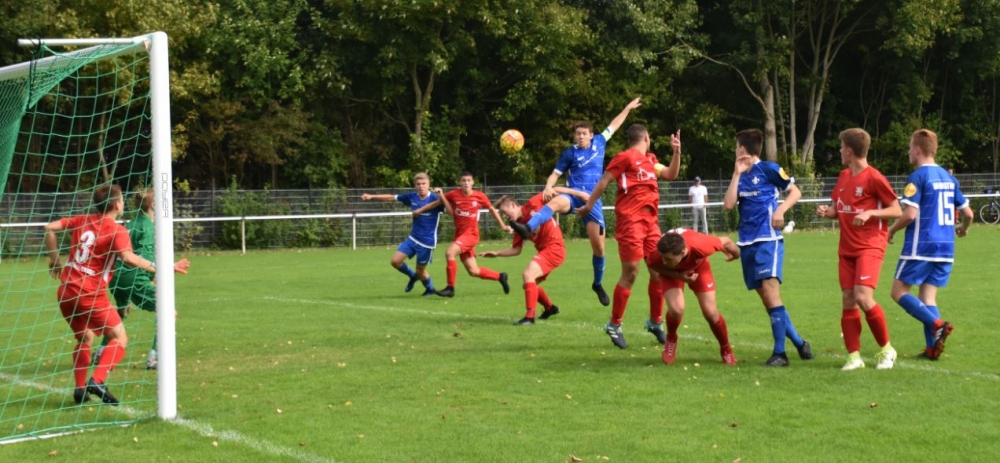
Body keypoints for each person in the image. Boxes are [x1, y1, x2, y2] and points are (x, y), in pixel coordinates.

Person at [509, 98, 643, 307]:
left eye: (584, 134)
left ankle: (597, 284)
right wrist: (548, 186)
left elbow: (614, 125)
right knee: (554, 203)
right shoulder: (569, 153)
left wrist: (626, 108)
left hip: (592, 201)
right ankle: (527, 227)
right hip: (571, 196)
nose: (580, 137)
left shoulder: (600, 142)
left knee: (599, 249)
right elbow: (555, 174)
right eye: (577, 134)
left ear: (591, 135)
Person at [44, 185, 158, 405]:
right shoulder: (117, 230)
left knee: (85, 337)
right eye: (122, 199)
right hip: (89, 294)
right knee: (120, 338)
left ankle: (79, 389)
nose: (123, 203)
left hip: (66, 291)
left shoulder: (81, 220)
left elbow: (49, 228)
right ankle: (97, 380)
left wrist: (54, 258)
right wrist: (158, 267)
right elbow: (128, 257)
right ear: (117, 204)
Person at [577, 124, 681, 349]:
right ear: (646, 137)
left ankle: (655, 322)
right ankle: (614, 324)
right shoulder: (624, 157)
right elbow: (604, 181)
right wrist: (589, 205)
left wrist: (676, 152)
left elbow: (671, 174)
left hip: (651, 223)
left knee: (658, 270)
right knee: (631, 273)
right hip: (630, 221)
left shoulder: (651, 161)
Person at [722, 129, 813, 367]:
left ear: (742, 148)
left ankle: (780, 354)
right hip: (746, 243)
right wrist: (735, 173)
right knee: (767, 300)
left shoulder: (770, 169)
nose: (735, 151)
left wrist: (781, 210)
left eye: (736, 147)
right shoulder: (740, 175)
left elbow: (796, 191)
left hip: (768, 241)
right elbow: (729, 205)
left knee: (772, 296)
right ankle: (800, 343)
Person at [816, 128, 902, 370]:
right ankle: (854, 356)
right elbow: (837, 210)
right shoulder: (843, 176)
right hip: (847, 248)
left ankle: (887, 350)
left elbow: (897, 210)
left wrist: (871, 212)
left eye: (842, 147)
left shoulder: (874, 177)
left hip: (870, 245)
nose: (840, 151)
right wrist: (826, 212)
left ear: (850, 150)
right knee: (848, 298)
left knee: (863, 297)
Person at [887, 129, 972, 360]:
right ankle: (932, 348)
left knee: (897, 292)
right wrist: (964, 228)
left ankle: (937, 324)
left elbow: (910, 215)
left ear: (917, 150)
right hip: (946, 248)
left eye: (909, 149)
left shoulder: (917, 177)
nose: (908, 152)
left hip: (921, 245)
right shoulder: (948, 177)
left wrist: (891, 230)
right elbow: (969, 213)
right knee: (928, 297)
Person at [94, 189, 190, 370]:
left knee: (122, 312)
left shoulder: (130, 224)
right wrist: (162, 271)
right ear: (154, 205)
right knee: (169, 313)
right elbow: (143, 258)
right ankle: (155, 357)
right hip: (133, 277)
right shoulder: (149, 228)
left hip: (115, 277)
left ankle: (100, 352)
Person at [482, 188, 590, 325]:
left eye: (504, 212)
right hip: (546, 251)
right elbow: (516, 249)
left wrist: (579, 195)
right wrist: (496, 253)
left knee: (528, 275)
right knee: (528, 283)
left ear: (513, 205)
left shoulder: (534, 202)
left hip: (554, 247)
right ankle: (550, 308)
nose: (504, 216)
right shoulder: (519, 225)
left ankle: (529, 317)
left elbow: (553, 190)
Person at [647, 229, 741, 365]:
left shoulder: (701, 246)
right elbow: (654, 265)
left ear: (683, 252)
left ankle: (726, 348)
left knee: (711, 312)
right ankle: (671, 339)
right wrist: (679, 276)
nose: (664, 261)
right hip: (671, 274)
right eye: (662, 258)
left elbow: (726, 240)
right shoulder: (658, 255)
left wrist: (737, 254)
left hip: (699, 268)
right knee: (677, 310)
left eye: (668, 259)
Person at [410, 172, 511, 297]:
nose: (466, 183)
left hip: (471, 235)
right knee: (473, 271)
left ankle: (450, 288)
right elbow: (436, 204)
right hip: (460, 236)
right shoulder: (454, 194)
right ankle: (500, 277)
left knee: (449, 252)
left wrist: (502, 225)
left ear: (473, 182)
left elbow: (491, 209)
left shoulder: (479, 196)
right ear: (460, 182)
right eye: (463, 180)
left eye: (469, 180)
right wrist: (419, 210)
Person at [361, 173, 445, 296]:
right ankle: (413, 276)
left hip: (427, 242)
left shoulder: (435, 199)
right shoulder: (411, 197)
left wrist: (442, 197)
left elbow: (450, 209)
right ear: (415, 185)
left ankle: (430, 288)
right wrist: (371, 196)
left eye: (424, 184)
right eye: (418, 184)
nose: (421, 186)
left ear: (429, 185)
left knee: (420, 270)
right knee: (395, 261)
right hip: (413, 238)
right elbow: (391, 197)